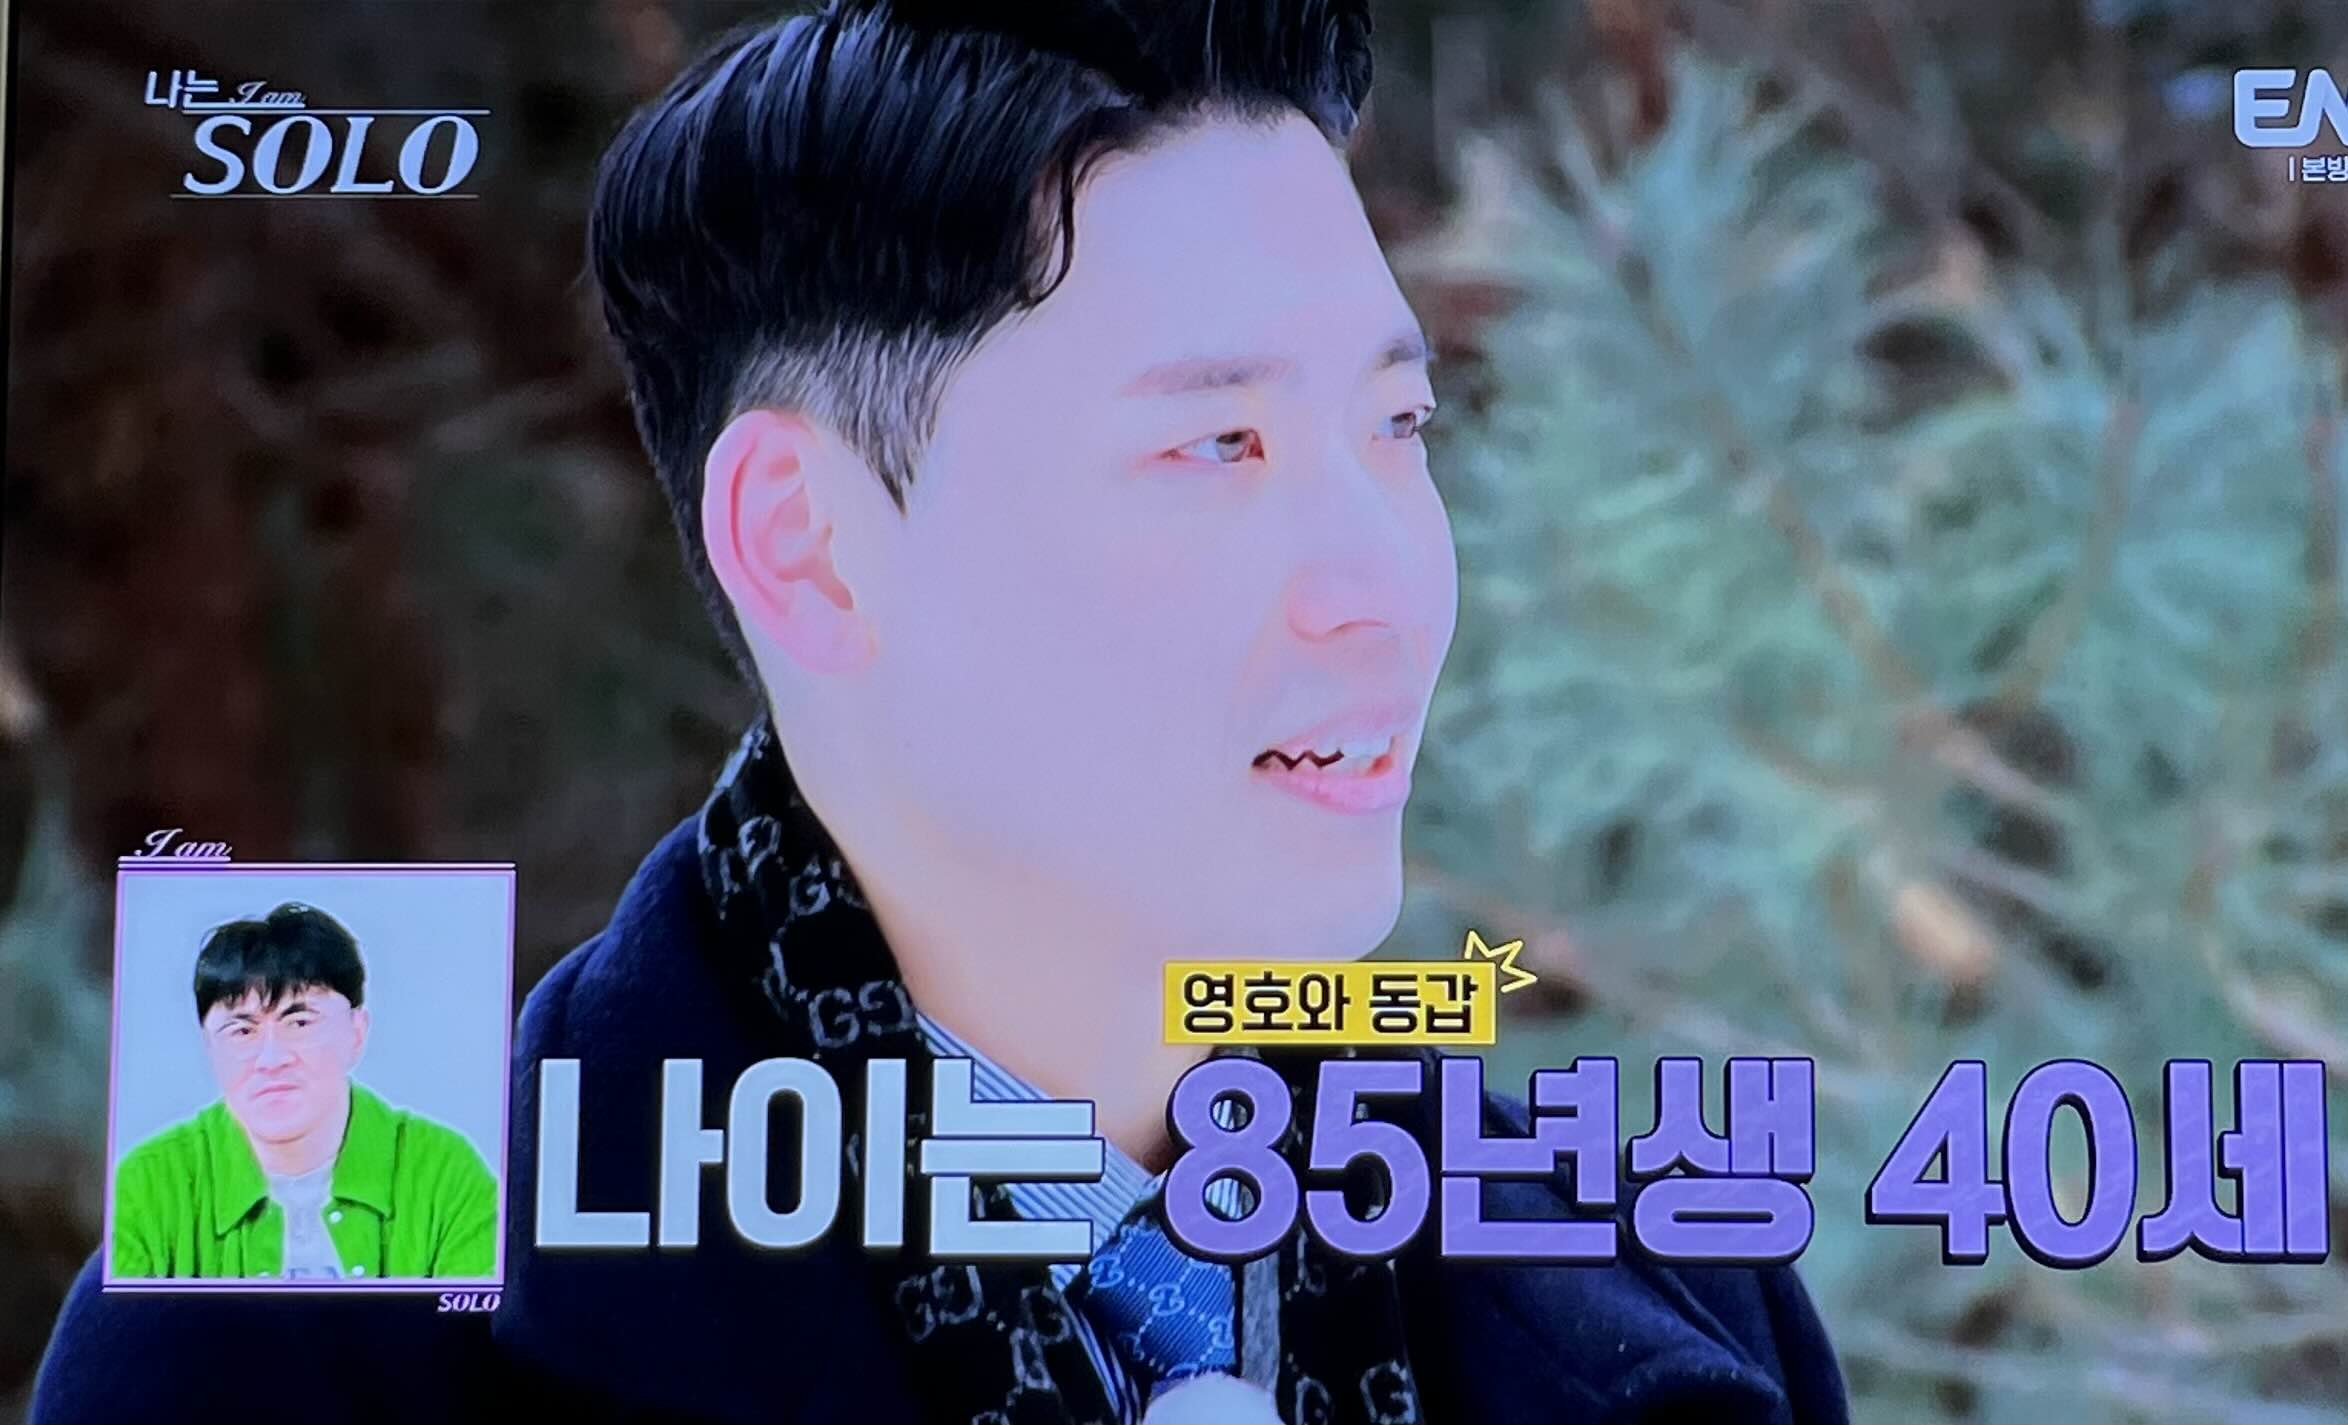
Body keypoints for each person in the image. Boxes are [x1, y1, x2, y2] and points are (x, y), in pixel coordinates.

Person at [38, 2, 1847, 1420]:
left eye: (1397, 428)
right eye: (1215, 444)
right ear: (807, 544)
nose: (1379, 578)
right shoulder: (303, 1340)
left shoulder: (1659, 1278)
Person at [107, 902, 498, 1281]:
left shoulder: (447, 1174)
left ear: (357, 1032)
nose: (272, 1059)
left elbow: (477, 1326)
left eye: (299, 1023)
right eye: (242, 1031)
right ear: (209, 1047)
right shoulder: (149, 1186)